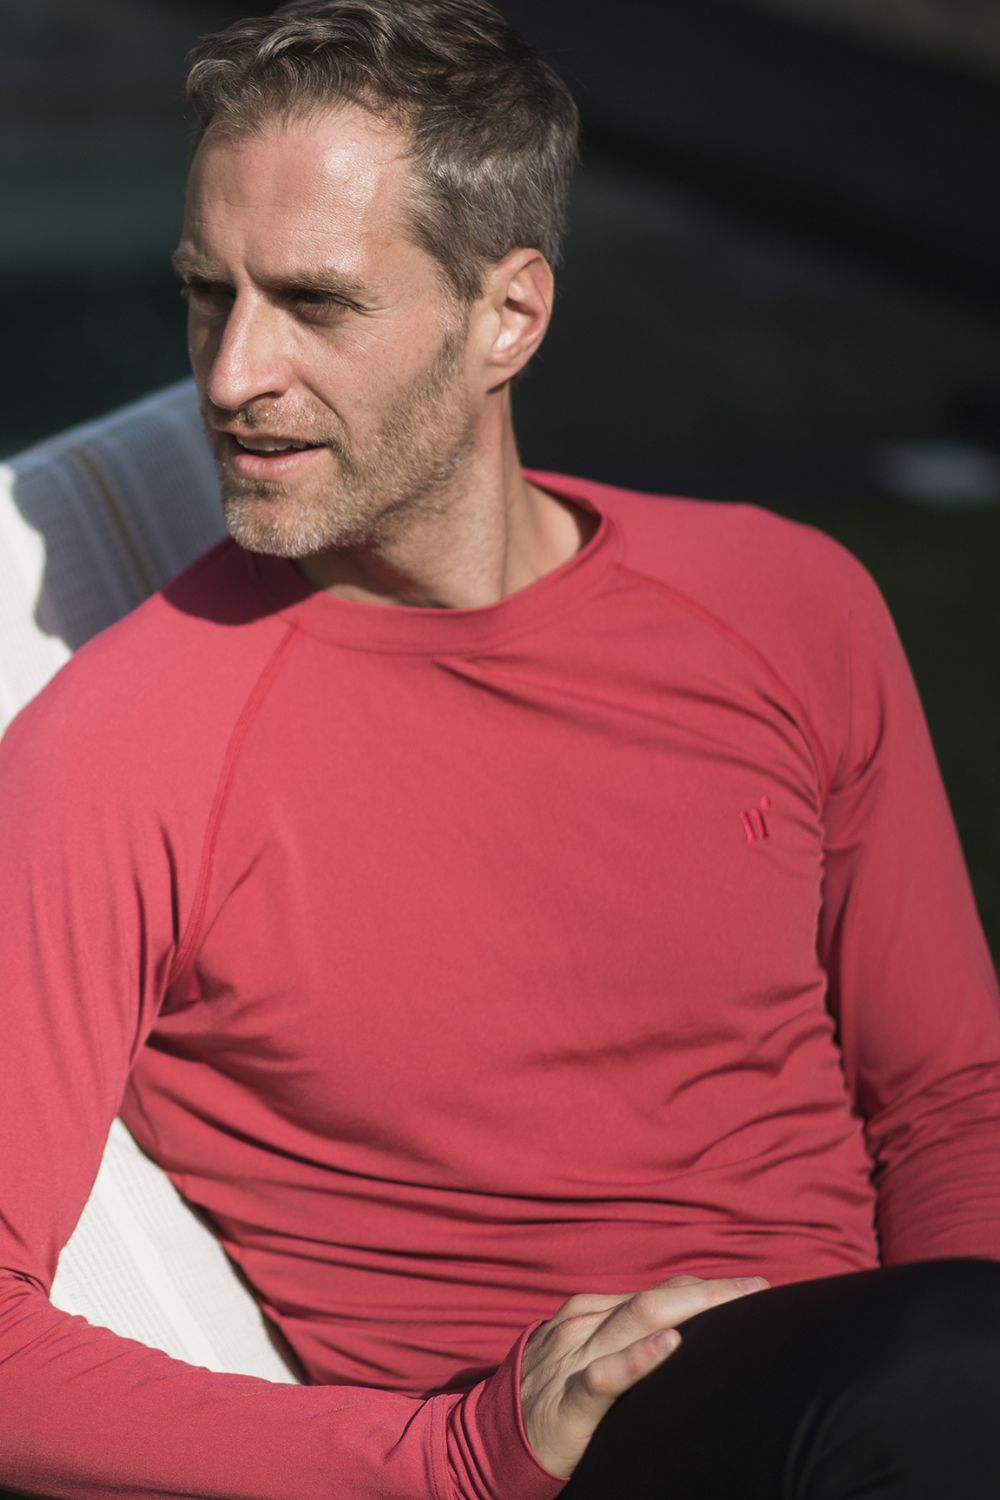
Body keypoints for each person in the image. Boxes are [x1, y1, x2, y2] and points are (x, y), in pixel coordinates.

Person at [2, 2, 999, 1496]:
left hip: (902, 1390)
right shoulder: (115, 753)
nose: (232, 372)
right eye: (210, 294)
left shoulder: (787, 605)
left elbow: (948, 1098)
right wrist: (452, 1457)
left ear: (509, 316)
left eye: (317, 303)